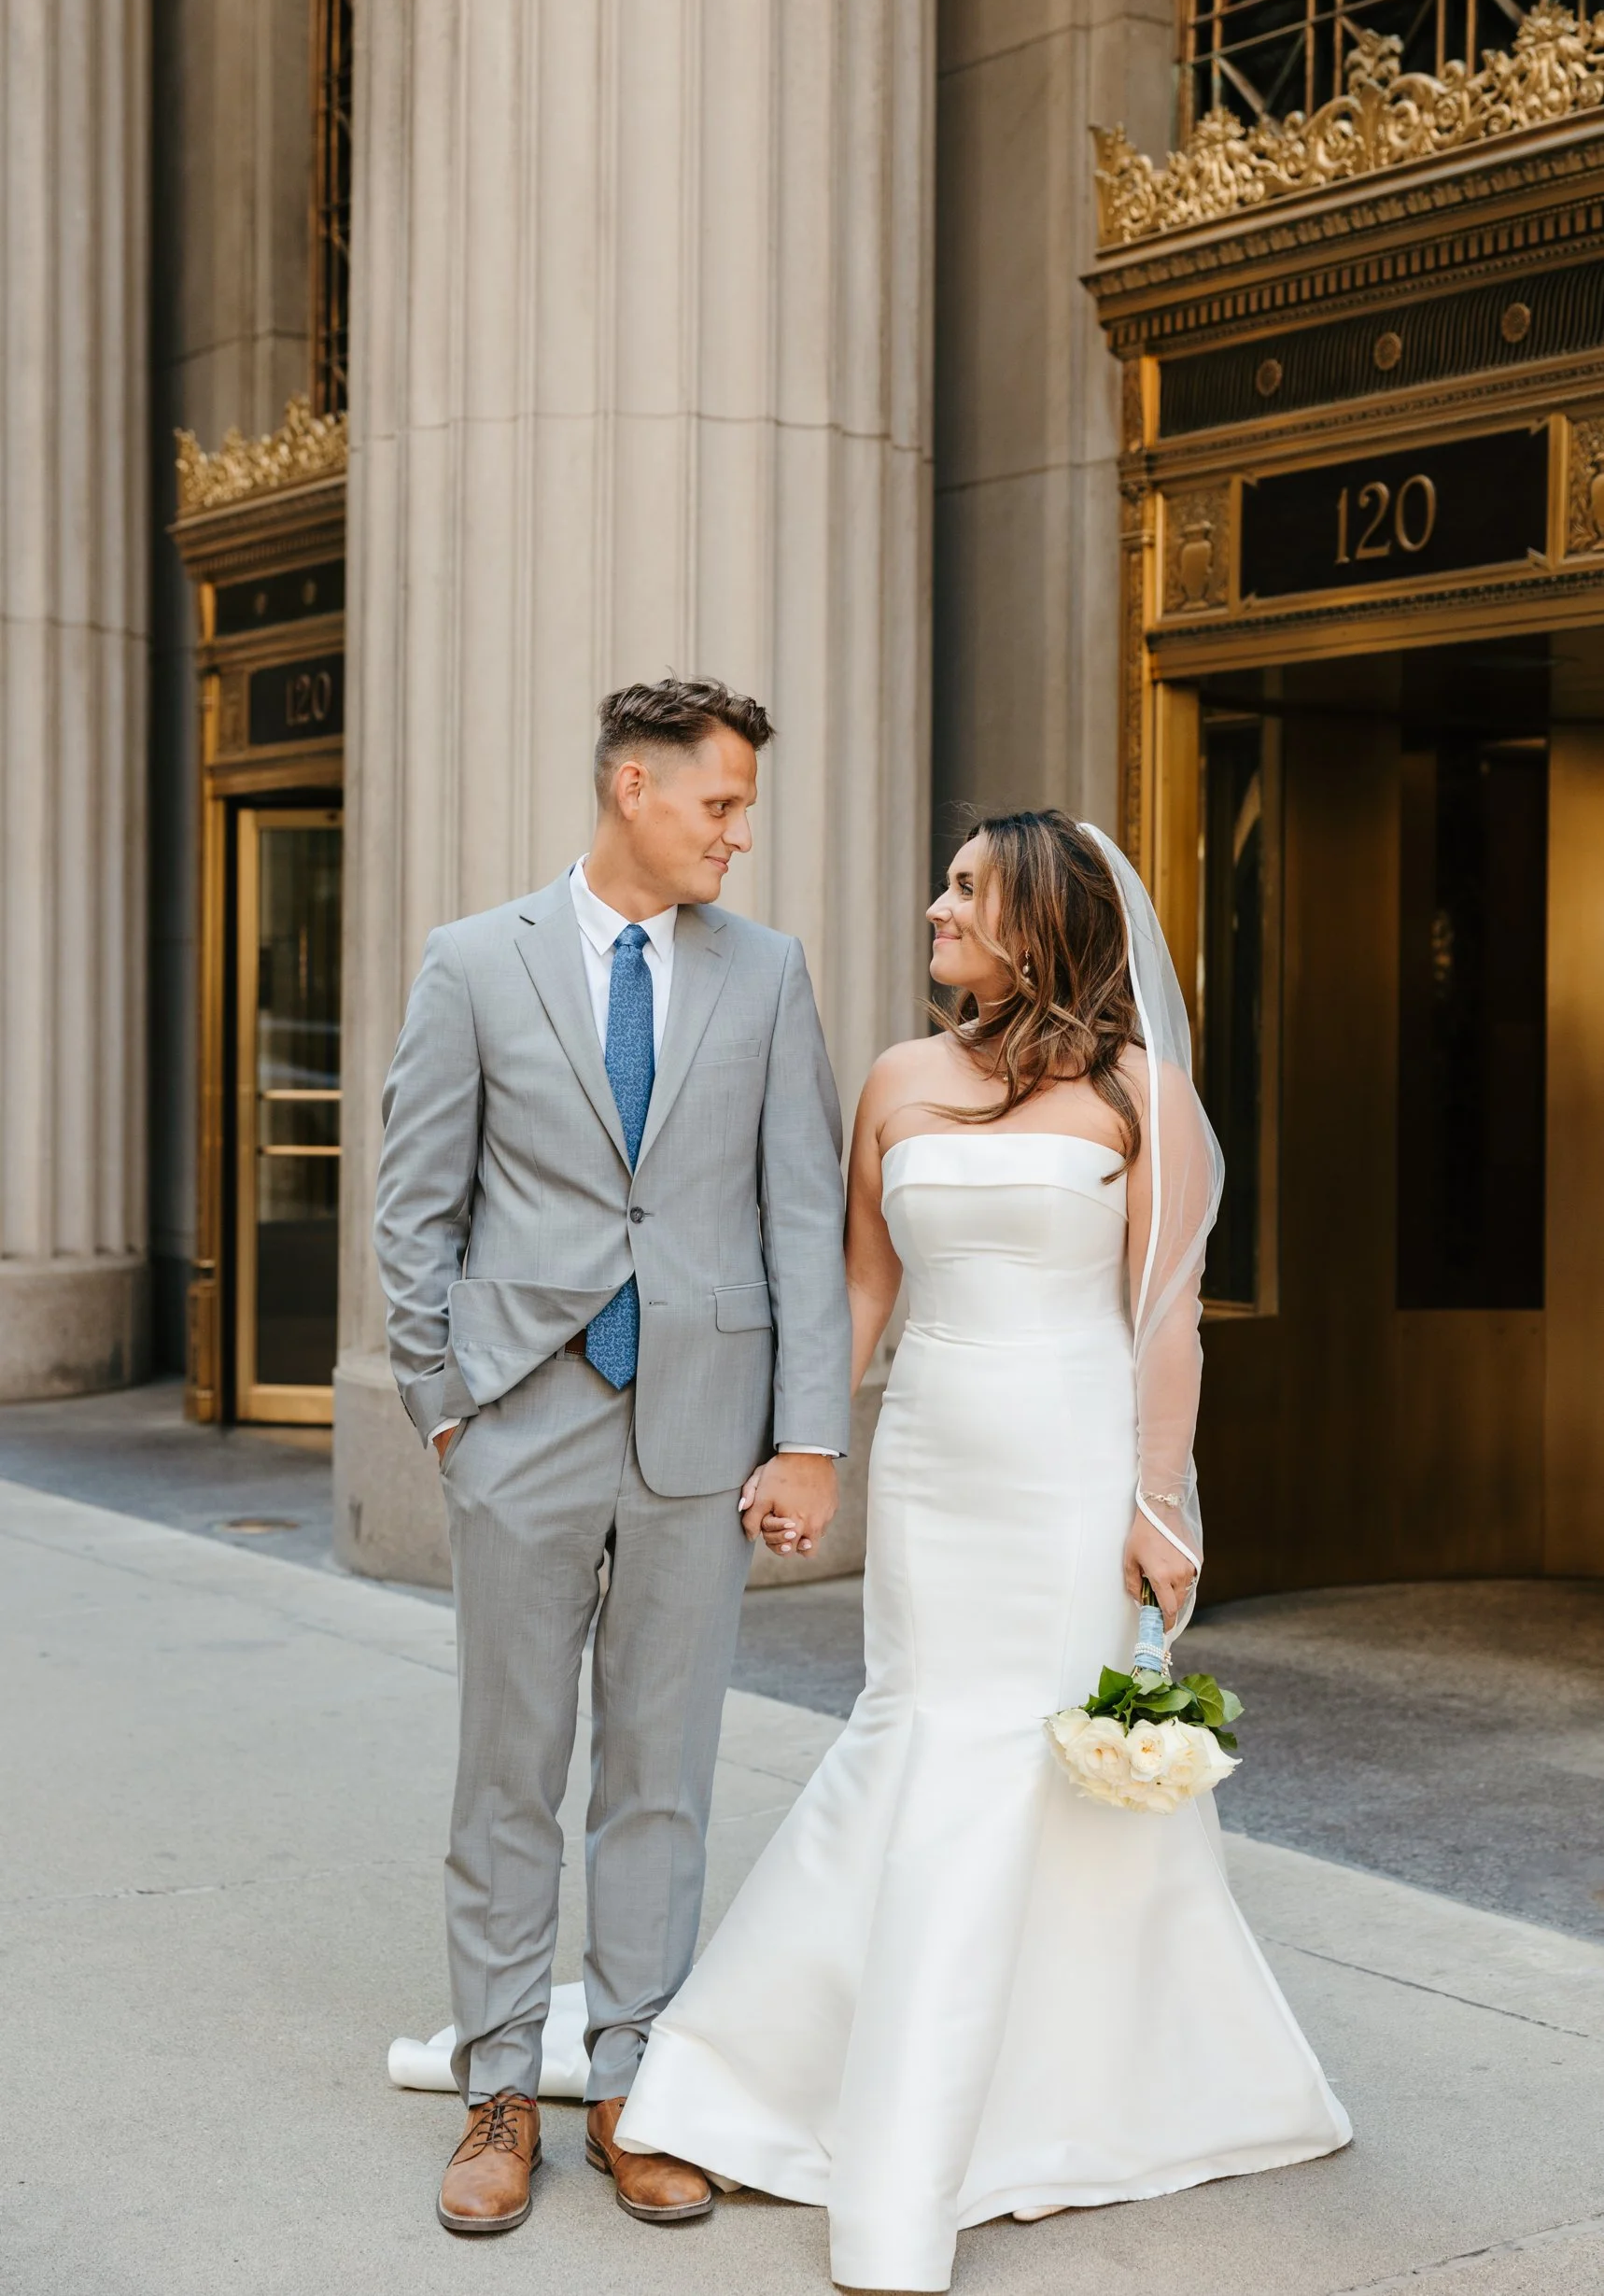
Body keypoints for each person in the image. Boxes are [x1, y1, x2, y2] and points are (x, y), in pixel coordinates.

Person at [618, 809, 1351, 2291]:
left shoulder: (1140, 1095)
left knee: (1030, 1760)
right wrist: (805, 1445)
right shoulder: (896, 1078)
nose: (936, 905)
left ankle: (994, 2113)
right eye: (942, 881)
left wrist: (1157, 1505)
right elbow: (858, 1286)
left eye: (967, 887)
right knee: (914, 1728)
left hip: (1069, 1468)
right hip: (937, 1463)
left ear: (1040, 917)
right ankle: (766, 2074)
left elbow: (1165, 1321)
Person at [373, 677, 851, 2237]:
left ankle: (640, 2085)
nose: (739, 832)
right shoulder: (472, 962)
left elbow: (799, 1216)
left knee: (662, 1776)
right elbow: (414, 1203)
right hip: (519, 1419)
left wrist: (807, 1435)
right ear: (633, 788)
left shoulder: (768, 974)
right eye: (719, 803)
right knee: (506, 1772)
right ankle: (501, 2084)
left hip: (698, 1433)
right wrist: (443, 1400)